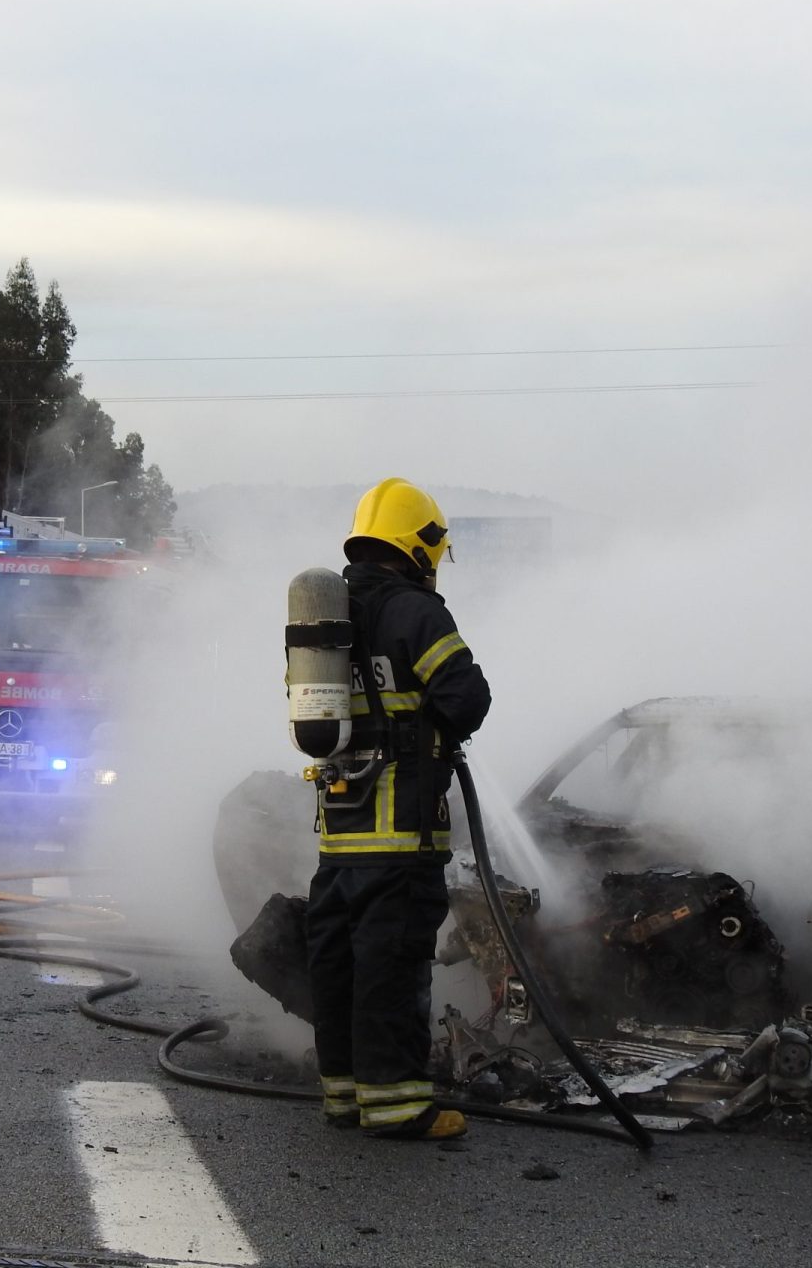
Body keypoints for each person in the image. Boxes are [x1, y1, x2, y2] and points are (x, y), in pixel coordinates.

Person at [304, 479, 491, 1140]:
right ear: (420, 545)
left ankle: (344, 1095)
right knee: (394, 963)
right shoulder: (416, 612)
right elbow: (467, 698)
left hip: (339, 832)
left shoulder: (329, 617)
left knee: (338, 962)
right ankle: (401, 1105)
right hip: (401, 830)